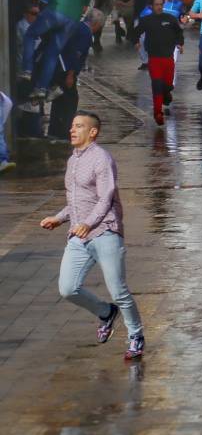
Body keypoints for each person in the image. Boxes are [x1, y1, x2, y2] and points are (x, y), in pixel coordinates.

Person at [40, 112, 145, 361]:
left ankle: (136, 335)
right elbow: (77, 201)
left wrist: (88, 223)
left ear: (93, 132)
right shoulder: (72, 160)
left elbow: (105, 197)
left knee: (118, 290)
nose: (72, 130)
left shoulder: (101, 159)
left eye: (79, 126)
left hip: (105, 231)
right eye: (72, 125)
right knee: (67, 288)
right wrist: (60, 217)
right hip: (79, 234)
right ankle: (106, 313)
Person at [133, 0, 185, 125]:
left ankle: (167, 94)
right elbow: (134, 32)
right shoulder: (146, 20)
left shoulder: (170, 19)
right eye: (156, 4)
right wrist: (136, 42)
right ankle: (158, 113)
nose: (159, 7)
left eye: (161, 4)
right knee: (156, 85)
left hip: (168, 58)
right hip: (154, 58)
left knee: (167, 86)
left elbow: (179, 33)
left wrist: (180, 43)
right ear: (151, 6)